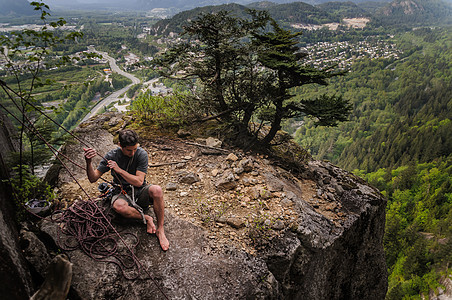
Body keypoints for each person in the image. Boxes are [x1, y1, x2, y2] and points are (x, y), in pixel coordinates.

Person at [83, 129, 169, 251]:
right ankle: (146, 218)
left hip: (140, 190)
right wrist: (88, 162)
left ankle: (160, 229)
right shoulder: (112, 156)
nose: (133, 153)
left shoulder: (141, 154)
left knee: (157, 190)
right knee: (119, 207)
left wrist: (119, 170)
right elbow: (93, 178)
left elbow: (139, 181)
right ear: (120, 146)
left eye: (135, 148)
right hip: (121, 191)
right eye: (129, 150)